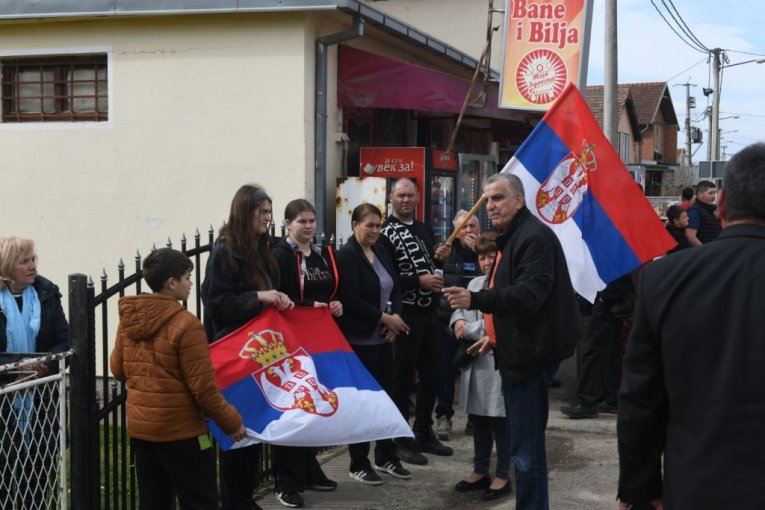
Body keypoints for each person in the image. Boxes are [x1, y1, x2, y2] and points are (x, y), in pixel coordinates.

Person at [617, 143, 765, 510]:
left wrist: (639, 486)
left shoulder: (664, 278)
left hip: (696, 486)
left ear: (723, 204)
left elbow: (640, 398)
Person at [443, 173, 580, 510]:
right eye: (488, 199)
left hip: (530, 357)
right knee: (524, 448)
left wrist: (476, 300)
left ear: (519, 200)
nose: (491, 206)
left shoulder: (532, 237)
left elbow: (529, 295)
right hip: (518, 350)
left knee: (526, 453)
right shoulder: (514, 236)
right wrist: (495, 337)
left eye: (498, 198)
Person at [110, 248, 246, 510]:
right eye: (187, 277)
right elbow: (203, 389)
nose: (191, 283)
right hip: (181, 431)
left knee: (154, 500)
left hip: (142, 430)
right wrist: (232, 422)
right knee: (200, 500)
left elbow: (117, 369)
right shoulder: (187, 324)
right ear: (171, 283)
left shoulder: (129, 320)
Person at [201, 184, 294, 510]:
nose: (269, 218)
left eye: (270, 211)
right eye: (263, 212)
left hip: (260, 354)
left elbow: (267, 294)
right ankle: (235, 500)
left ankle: (245, 497)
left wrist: (278, 299)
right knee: (237, 432)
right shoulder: (225, 252)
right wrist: (259, 298)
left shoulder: (262, 250)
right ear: (245, 213)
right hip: (234, 355)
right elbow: (215, 304)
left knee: (256, 429)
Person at [270, 199, 341, 508]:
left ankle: (309, 469)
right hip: (291, 343)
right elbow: (277, 300)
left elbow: (329, 292)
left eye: (312, 220)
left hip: (319, 341)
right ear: (288, 223)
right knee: (292, 408)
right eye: (301, 221)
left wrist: (335, 304)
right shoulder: (281, 256)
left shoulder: (322, 254)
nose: (309, 226)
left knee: (313, 405)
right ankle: (284, 481)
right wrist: (308, 307)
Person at [378, 178, 452, 466]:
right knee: (402, 378)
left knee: (433, 373)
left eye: (410, 195)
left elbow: (430, 267)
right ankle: (400, 440)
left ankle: (423, 430)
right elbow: (388, 276)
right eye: (401, 195)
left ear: (418, 197)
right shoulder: (385, 233)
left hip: (430, 312)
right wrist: (417, 280)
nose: (406, 200)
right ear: (392, 198)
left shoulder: (423, 228)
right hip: (404, 314)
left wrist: (440, 262)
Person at [336, 203, 411, 485]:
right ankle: (358, 460)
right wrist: (384, 318)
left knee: (386, 399)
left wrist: (395, 320)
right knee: (363, 402)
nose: (376, 231)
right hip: (360, 340)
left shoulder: (381, 250)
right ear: (355, 225)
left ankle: (386, 454)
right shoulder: (347, 256)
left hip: (383, 339)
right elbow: (351, 299)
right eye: (370, 225)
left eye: (379, 225)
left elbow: (397, 287)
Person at [0, 237, 69, 510]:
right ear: (6, 266)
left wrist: (42, 367)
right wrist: (17, 370)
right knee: (3, 470)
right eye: (24, 261)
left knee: (39, 471)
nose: (32, 266)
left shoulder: (46, 293)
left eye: (33, 259)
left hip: (42, 395)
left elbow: (64, 341)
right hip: (4, 398)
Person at [450, 232, 511, 501]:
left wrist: (469, 330)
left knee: (500, 421)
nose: (487, 262)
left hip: (495, 362)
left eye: (491, 256)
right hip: (475, 363)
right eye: (482, 257)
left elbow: (494, 323)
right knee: (479, 420)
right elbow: (459, 306)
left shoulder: (505, 284)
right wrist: (457, 323)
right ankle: (479, 469)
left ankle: (503, 473)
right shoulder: (475, 282)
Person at [560, 275, 634, 419]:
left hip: (606, 300)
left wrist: (603, 297)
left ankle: (587, 401)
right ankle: (612, 397)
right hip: (611, 300)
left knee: (595, 349)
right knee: (611, 351)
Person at [435, 210, 481, 441]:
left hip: (476, 322)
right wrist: (437, 260)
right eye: (463, 227)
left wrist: (478, 253)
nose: (469, 231)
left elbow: (492, 280)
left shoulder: (484, 253)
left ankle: (476, 417)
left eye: (472, 226)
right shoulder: (445, 251)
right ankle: (444, 415)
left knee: (476, 371)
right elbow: (434, 281)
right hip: (447, 319)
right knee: (445, 371)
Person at [685, 180, 721, 246]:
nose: (713, 196)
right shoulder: (695, 211)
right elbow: (690, 236)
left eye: (714, 193)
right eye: (710, 193)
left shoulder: (710, 210)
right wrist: (704, 251)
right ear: (700, 194)